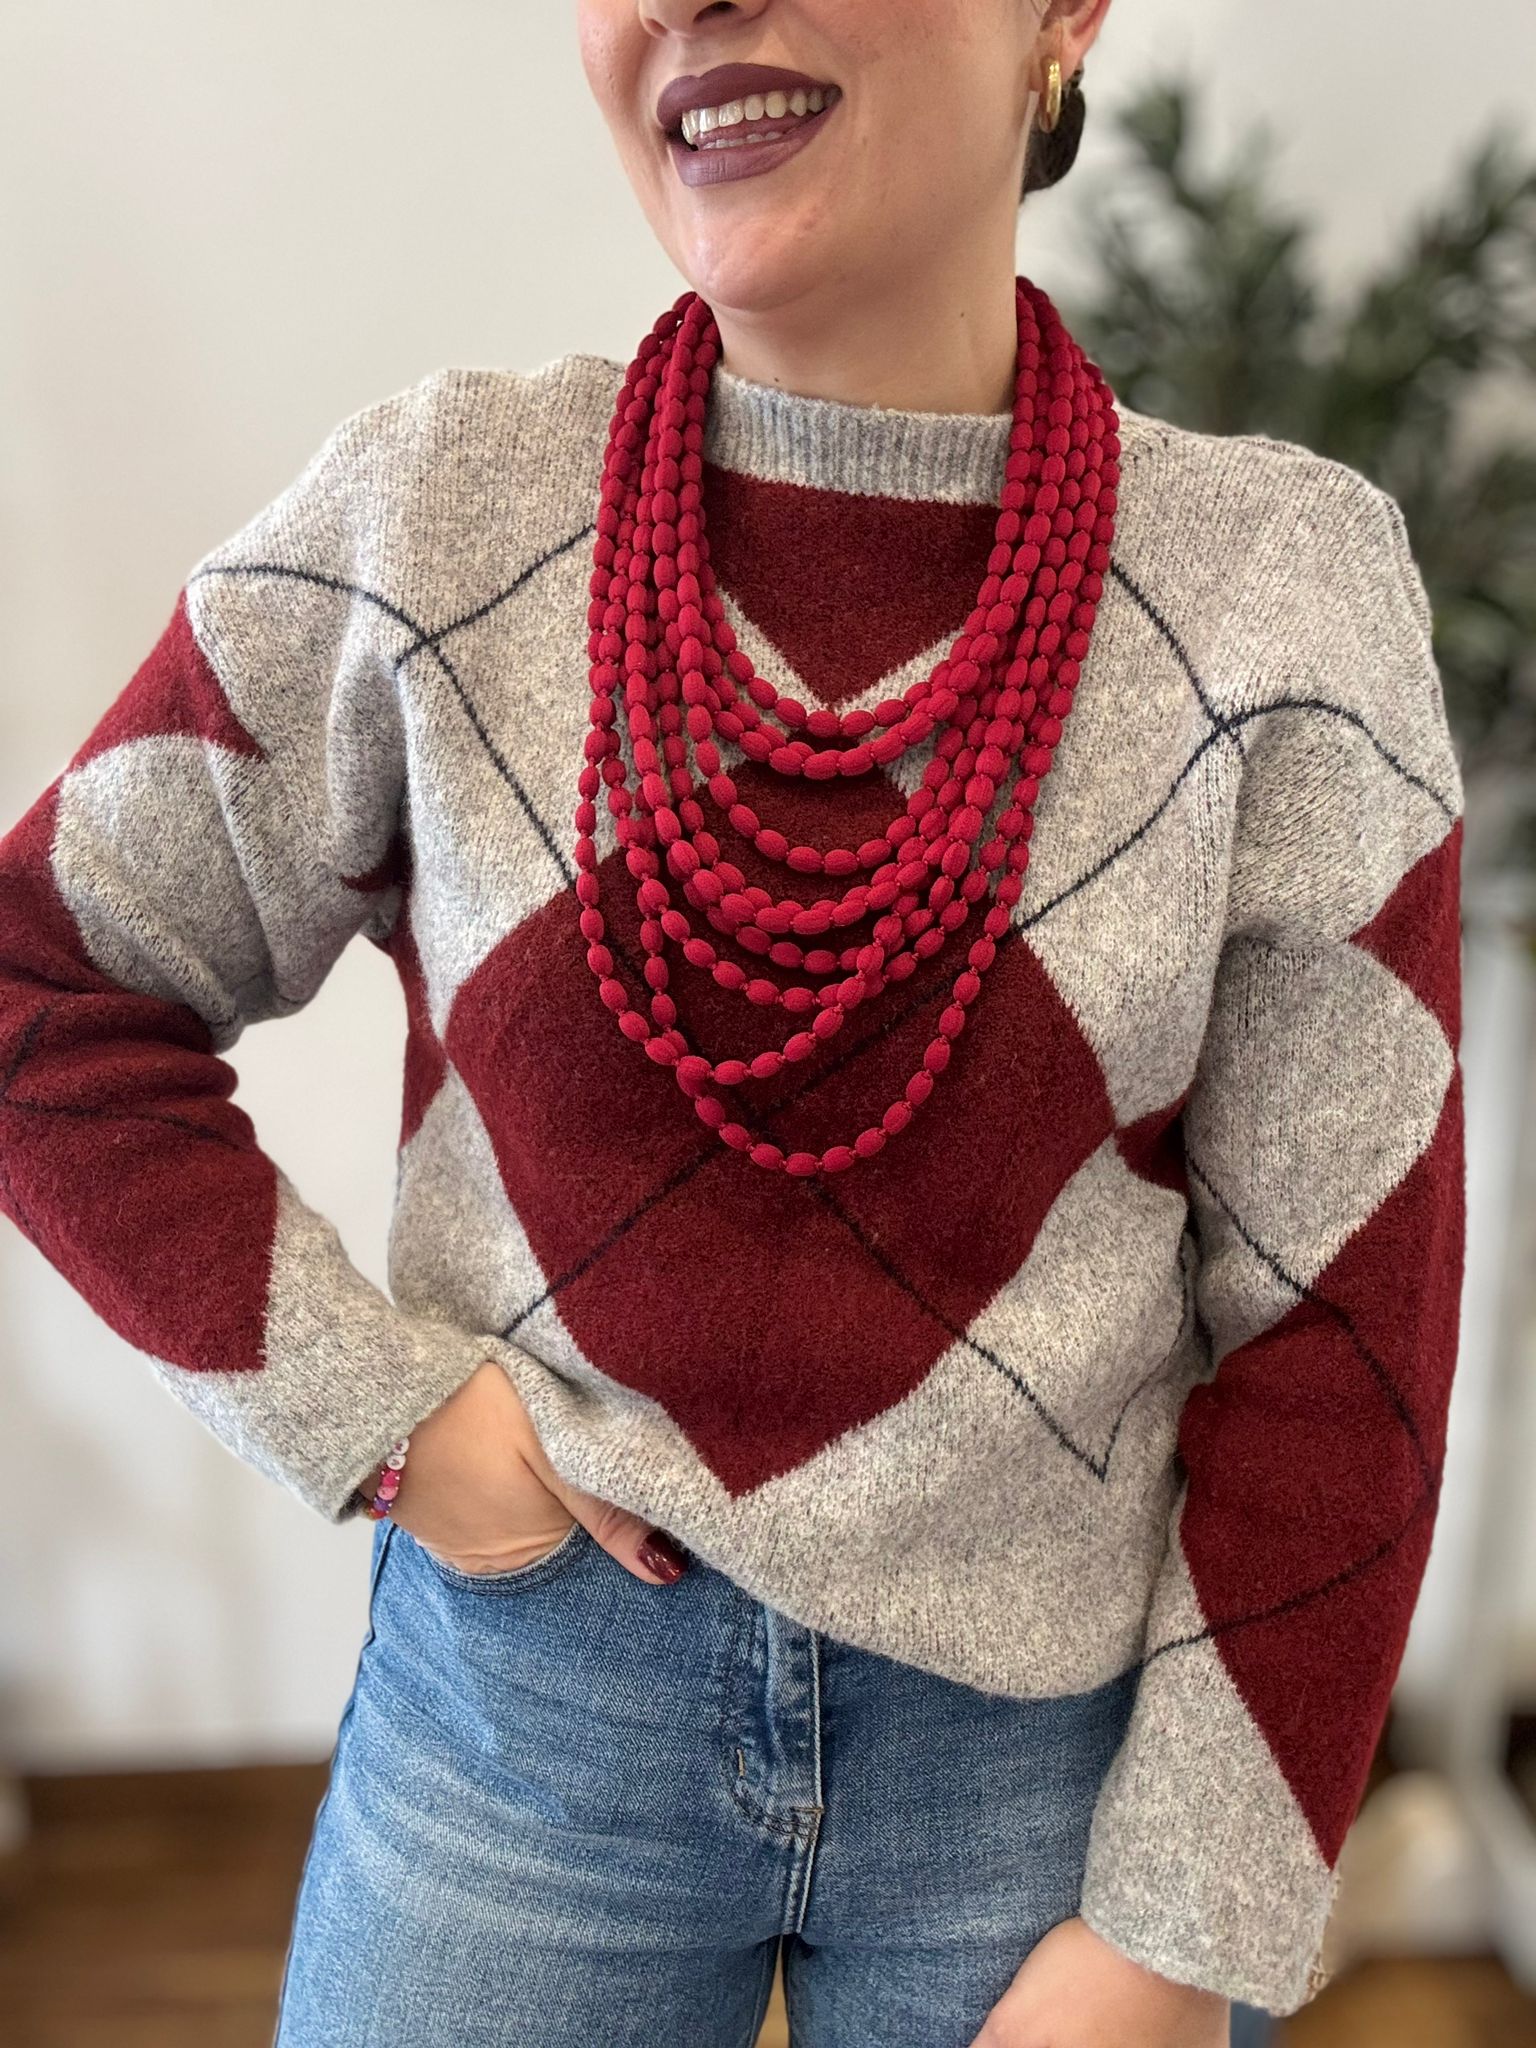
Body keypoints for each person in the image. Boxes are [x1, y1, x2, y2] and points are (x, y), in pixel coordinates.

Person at [0, 1, 1465, 2043]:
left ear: (1066, 15)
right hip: (521, 1730)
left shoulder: (1281, 601)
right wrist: (383, 1416)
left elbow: (1346, 1332)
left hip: (1041, 1787)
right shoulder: (437, 517)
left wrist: (1177, 1927)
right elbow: (42, 987)